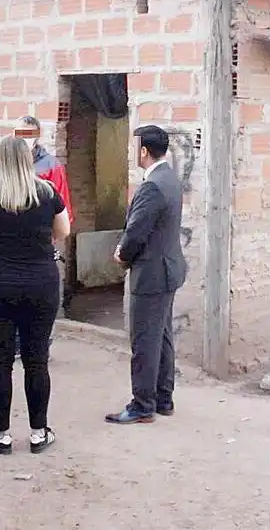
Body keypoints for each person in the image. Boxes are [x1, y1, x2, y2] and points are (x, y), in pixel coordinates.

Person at [0, 135, 71, 454]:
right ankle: (38, 433)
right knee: (36, 360)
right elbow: (64, 231)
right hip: (40, 285)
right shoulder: (47, 193)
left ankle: (1, 435)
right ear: (28, 160)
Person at [106, 125, 187, 425]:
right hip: (167, 270)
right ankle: (163, 398)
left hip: (151, 273)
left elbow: (137, 231)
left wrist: (121, 254)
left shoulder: (152, 186)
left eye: (135, 146)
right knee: (161, 337)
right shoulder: (170, 179)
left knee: (144, 341)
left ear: (143, 150)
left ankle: (142, 405)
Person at [0, 115, 73, 356]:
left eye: (29, 134)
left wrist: (49, 241)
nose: (25, 139)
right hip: (4, 248)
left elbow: (62, 210)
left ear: (38, 135)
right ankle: (12, 344)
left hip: (38, 248)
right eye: (20, 133)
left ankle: (34, 345)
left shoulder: (51, 166)